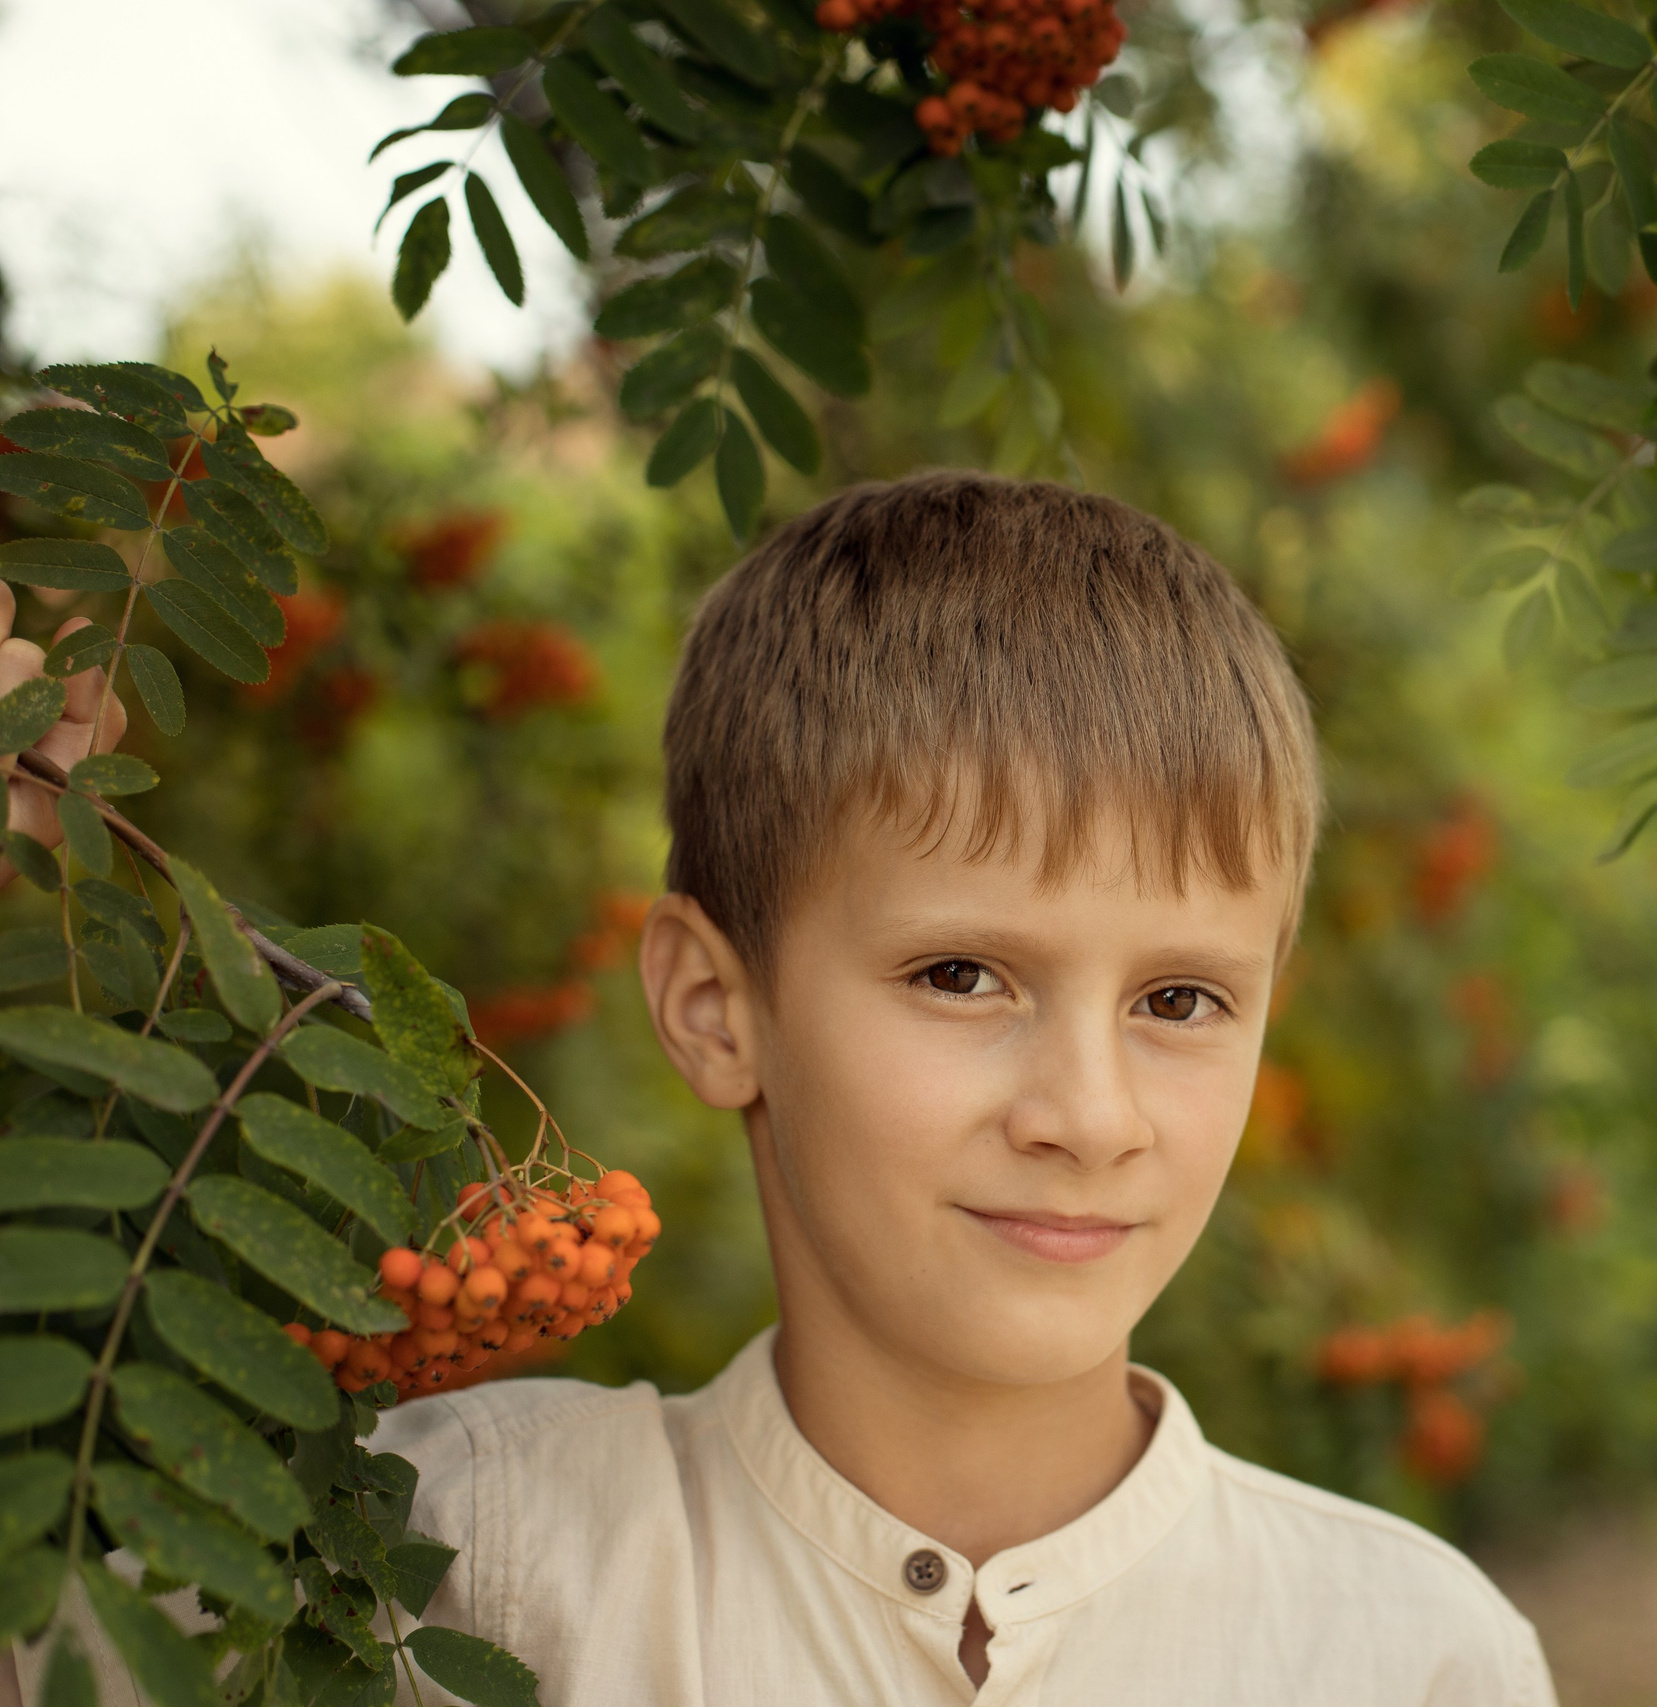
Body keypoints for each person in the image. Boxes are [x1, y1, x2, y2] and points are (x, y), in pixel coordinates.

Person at [11, 473, 1548, 1707]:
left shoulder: (1411, 1655)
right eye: (962, 974)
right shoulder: (450, 1556)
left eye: (1180, 1001)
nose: (1089, 1116)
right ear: (713, 1008)